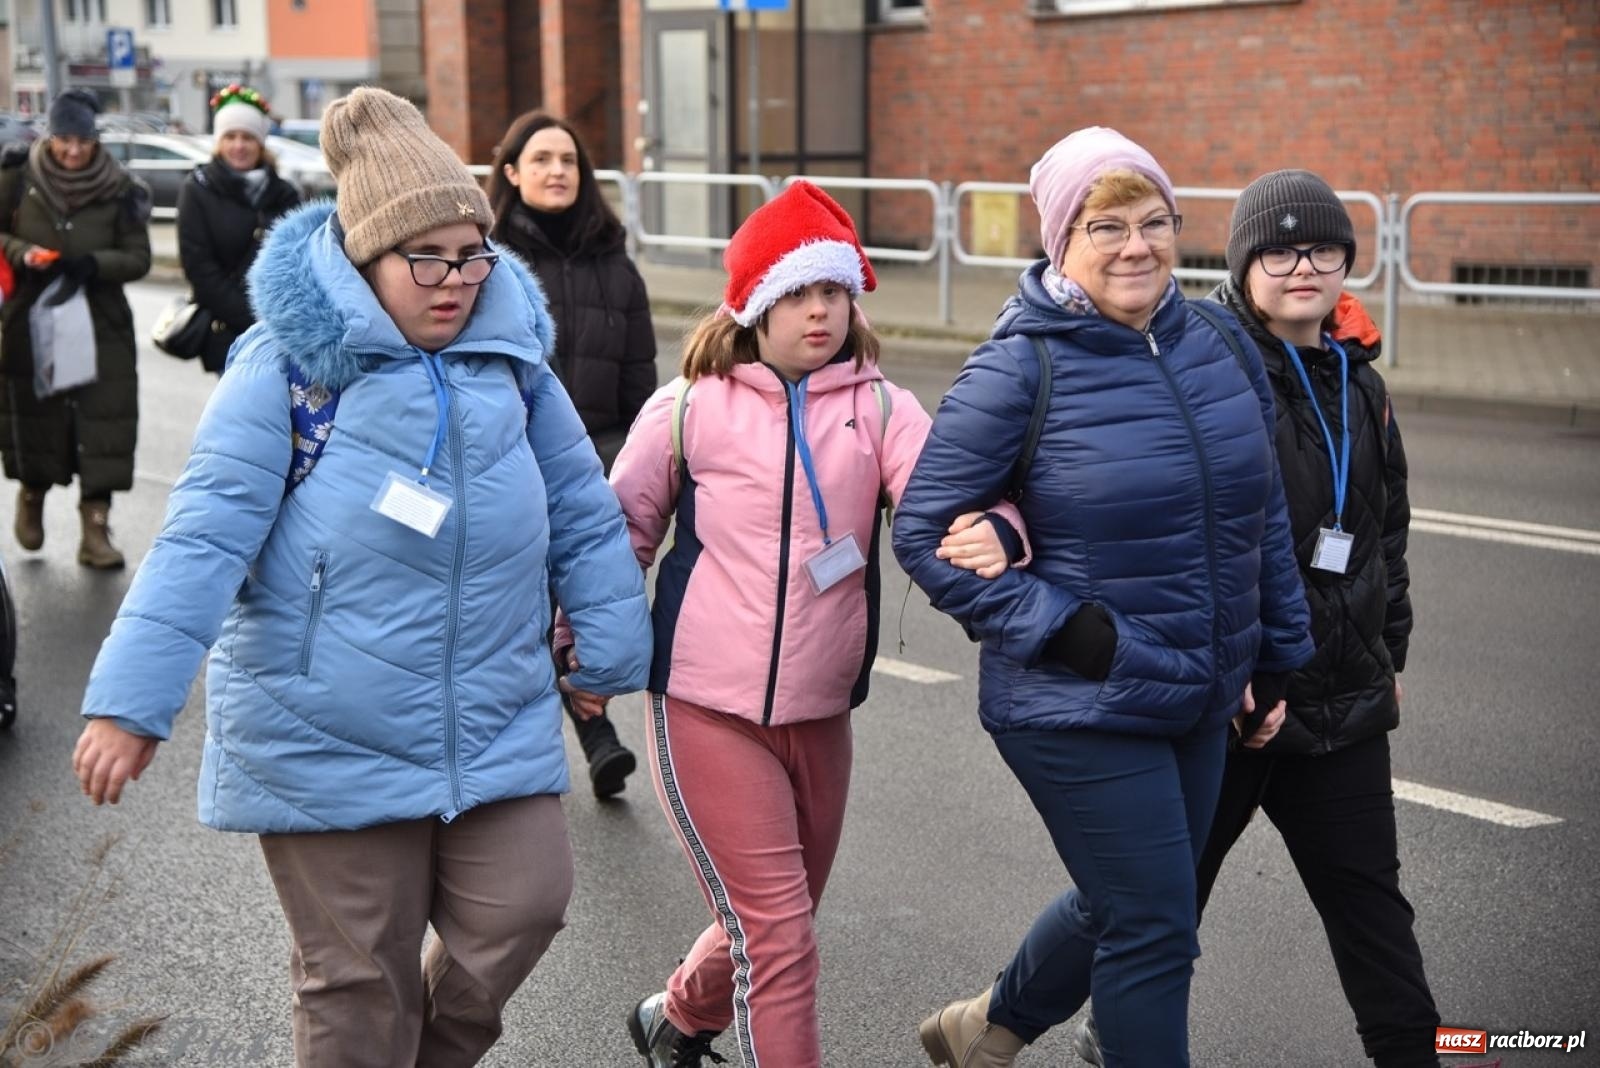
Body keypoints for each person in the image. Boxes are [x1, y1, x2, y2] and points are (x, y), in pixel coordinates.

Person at [70, 87, 651, 1068]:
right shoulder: (287, 370)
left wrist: (609, 642)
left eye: (470, 253)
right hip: (323, 728)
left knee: (527, 905)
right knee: (355, 986)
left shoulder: (513, 363)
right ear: (360, 257)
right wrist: (132, 704)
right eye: (424, 257)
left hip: (492, 714)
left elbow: (584, 513)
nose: (454, 281)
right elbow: (202, 538)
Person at [574, 180, 1028, 1068]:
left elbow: (956, 504)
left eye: (832, 293)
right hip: (704, 705)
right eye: (797, 294)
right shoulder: (689, 408)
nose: (819, 312)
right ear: (753, 304)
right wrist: (580, 641)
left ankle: (673, 1017)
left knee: (775, 919)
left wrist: (999, 532)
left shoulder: (884, 408)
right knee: (778, 938)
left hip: (821, 711)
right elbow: (618, 535)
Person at [891, 127, 1314, 1068]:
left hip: (1201, 689)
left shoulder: (1217, 341)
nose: (1136, 245)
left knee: (1120, 900)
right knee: (1156, 925)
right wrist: (1073, 634)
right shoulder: (1019, 365)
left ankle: (987, 1029)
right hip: (1077, 698)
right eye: (1105, 225)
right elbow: (923, 534)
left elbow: (1261, 512)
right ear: (1062, 242)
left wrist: (1279, 654)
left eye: (1154, 221)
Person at [1192, 170, 1436, 1067]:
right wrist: (1228, 677)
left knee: (1375, 914)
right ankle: (1036, 1024)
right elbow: (1193, 542)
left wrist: (1389, 649)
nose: (1305, 266)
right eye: (1281, 249)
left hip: (1342, 703)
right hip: (1236, 709)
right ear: (1246, 263)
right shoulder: (1207, 371)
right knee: (1156, 909)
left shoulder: (1360, 383)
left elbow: (1385, 534)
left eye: (1324, 248)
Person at [488, 109, 656, 797]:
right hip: (510, 462)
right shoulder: (487, 262)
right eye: (542, 159)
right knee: (518, 606)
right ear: (511, 173)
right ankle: (577, 734)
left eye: (569, 160)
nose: (557, 171)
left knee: (584, 598)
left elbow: (639, 383)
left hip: (598, 465)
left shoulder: (616, 265)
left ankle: (590, 714)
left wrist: (633, 462)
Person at [1, 87, 152, 568]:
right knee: (40, 412)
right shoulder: (16, 177)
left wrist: (95, 263)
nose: (72, 149)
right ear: (50, 135)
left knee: (101, 419)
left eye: (82, 140)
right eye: (64, 138)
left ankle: (95, 528)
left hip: (100, 320)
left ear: (95, 141)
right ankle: (32, 496)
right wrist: (22, 253)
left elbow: (139, 257)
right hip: (32, 313)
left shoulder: (121, 188)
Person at [176, 83, 301, 375]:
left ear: (261, 143)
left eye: (248, 137)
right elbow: (199, 268)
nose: (239, 145)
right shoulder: (198, 190)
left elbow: (297, 260)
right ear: (219, 141)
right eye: (230, 136)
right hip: (230, 334)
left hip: (283, 335)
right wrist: (253, 317)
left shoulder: (284, 194)